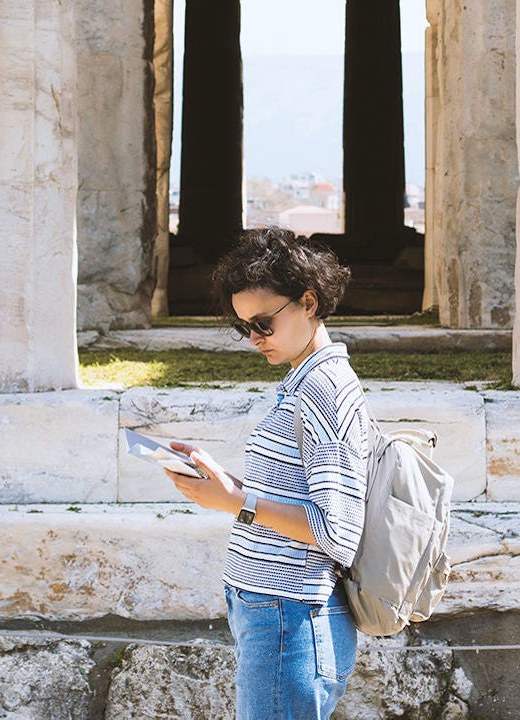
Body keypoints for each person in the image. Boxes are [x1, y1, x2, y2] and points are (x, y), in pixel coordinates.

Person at [164, 228, 372, 719]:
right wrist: (224, 483)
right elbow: (292, 492)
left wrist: (236, 502)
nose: (254, 338)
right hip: (271, 611)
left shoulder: (323, 391)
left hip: (291, 616)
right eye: (243, 328)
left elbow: (336, 532)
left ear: (308, 301)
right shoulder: (301, 382)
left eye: (262, 322)